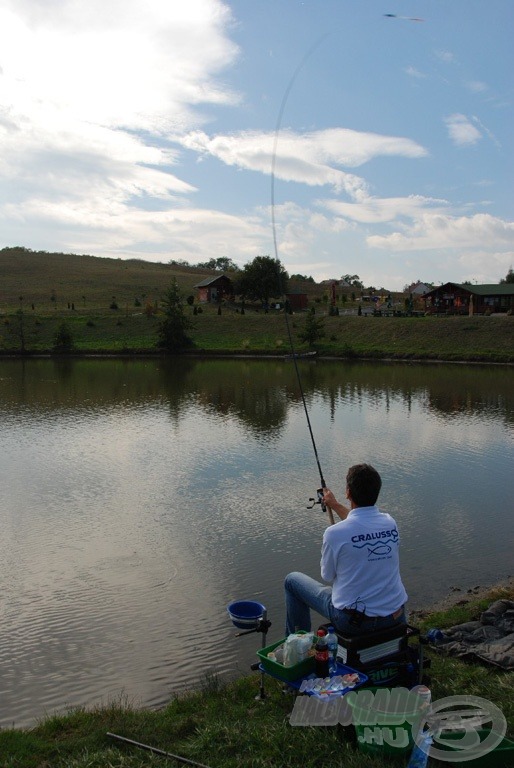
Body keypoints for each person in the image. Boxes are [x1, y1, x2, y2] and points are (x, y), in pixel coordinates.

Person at [284, 463, 407, 637]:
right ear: (377, 491)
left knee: (292, 581)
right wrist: (333, 504)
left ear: (348, 492)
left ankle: (297, 644)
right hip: (396, 617)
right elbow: (361, 522)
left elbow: (327, 576)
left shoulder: (334, 534)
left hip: (355, 623)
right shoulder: (389, 522)